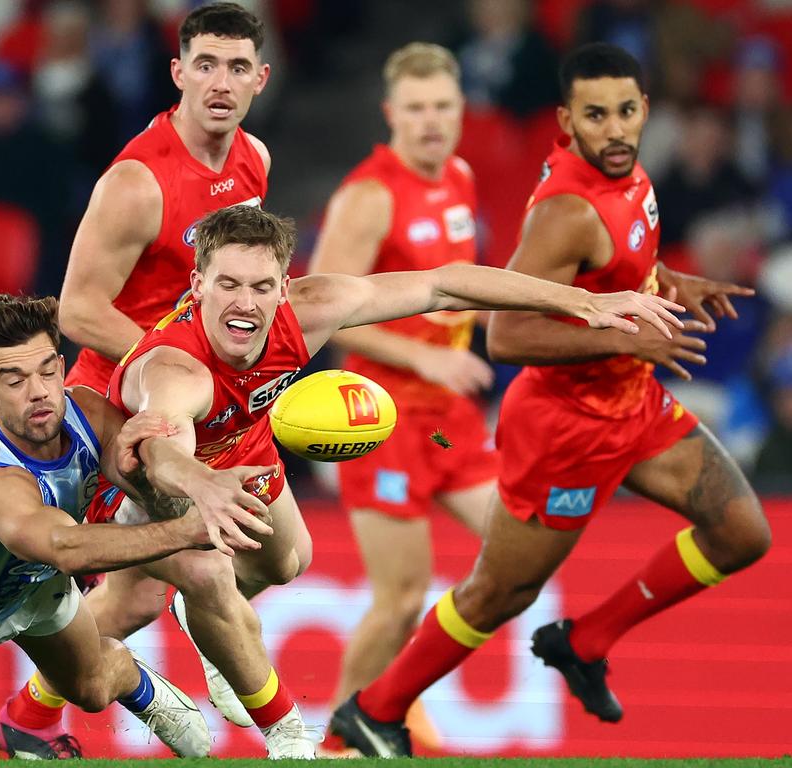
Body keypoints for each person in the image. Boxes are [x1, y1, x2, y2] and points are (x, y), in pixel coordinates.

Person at [109, 201, 681, 756]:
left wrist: (579, 300)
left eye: (261, 287)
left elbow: (444, 284)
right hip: (148, 483)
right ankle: (284, 738)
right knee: (190, 585)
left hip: (243, 446)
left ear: (285, 287)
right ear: (197, 286)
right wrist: (202, 484)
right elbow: (158, 445)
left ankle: (180, 624)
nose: (245, 303)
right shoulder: (176, 370)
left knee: (288, 562)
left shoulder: (312, 309)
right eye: (228, 284)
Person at [329, 43, 772, 758]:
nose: (615, 128)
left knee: (741, 533)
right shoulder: (562, 210)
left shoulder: (629, 175)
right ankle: (371, 711)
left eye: (627, 111)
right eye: (595, 116)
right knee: (495, 594)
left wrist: (669, 281)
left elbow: (612, 265)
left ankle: (586, 640)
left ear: (645, 111)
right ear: (567, 122)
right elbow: (505, 337)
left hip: (631, 406)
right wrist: (627, 340)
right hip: (565, 426)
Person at [1, 1, 279, 751]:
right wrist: (179, 362)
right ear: (178, 72)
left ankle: (25, 720)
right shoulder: (137, 180)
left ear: (260, 77)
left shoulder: (254, 158)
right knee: (198, 559)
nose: (220, 82)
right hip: (125, 394)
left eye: (236, 67)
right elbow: (80, 310)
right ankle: (283, 729)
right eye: (206, 64)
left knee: (144, 589)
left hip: (199, 398)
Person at [0, 293, 276, 759]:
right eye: (15, 380)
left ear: (63, 367)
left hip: (34, 588)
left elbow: (139, 470)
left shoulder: (83, 408)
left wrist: (187, 476)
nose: (39, 391)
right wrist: (189, 530)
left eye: (47, 371)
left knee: (92, 688)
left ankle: (136, 681)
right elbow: (67, 547)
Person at [307, 43, 495, 754]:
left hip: (449, 417)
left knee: (522, 546)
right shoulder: (370, 195)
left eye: (443, 106)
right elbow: (317, 309)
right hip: (379, 416)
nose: (430, 122)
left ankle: (395, 701)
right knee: (401, 597)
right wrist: (418, 352)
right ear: (391, 114)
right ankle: (337, 736)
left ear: (460, 111)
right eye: (415, 109)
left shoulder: (462, 178)